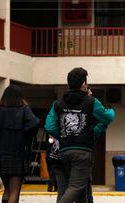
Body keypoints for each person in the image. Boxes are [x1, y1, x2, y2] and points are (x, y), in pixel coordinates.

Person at [45, 67, 115, 203]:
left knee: (77, 190)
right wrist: (111, 111)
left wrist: (65, 135)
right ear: (83, 84)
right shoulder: (91, 102)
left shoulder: (58, 103)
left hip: (64, 151)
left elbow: (49, 126)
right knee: (76, 187)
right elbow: (107, 117)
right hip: (82, 152)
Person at [0, 85, 40, 203]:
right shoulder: (24, 110)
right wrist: (24, 132)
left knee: (7, 189)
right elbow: (35, 123)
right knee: (14, 191)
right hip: (17, 154)